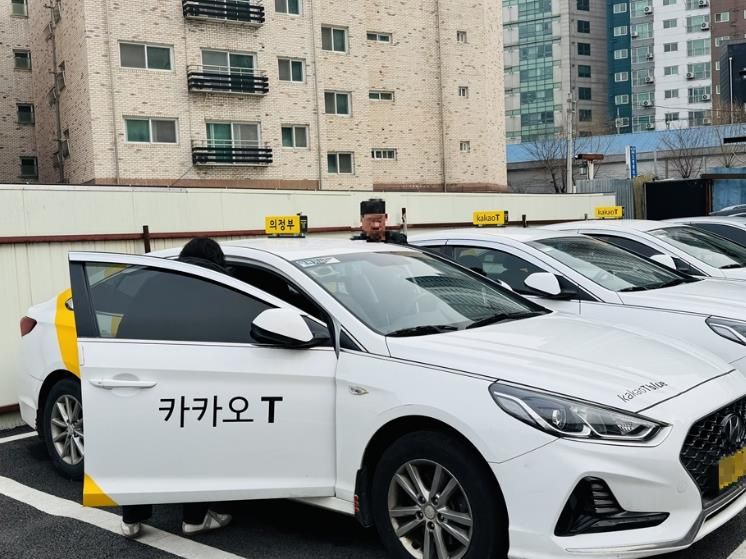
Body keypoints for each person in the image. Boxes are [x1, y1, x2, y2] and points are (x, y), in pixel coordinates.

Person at [120, 238, 232, 539]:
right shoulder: (220, 286)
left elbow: (126, 328)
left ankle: (131, 519)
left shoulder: (155, 282)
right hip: (195, 381)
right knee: (195, 448)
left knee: (142, 447)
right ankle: (194, 519)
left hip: (145, 378)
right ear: (218, 262)